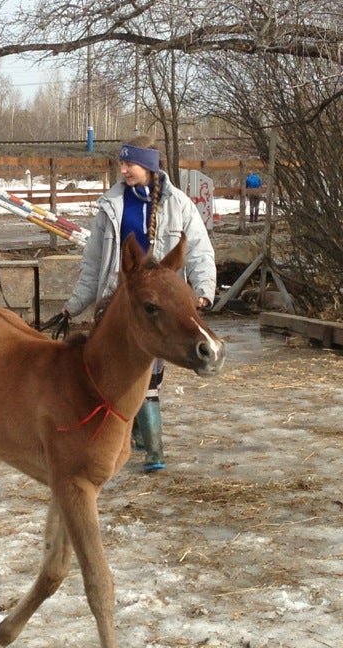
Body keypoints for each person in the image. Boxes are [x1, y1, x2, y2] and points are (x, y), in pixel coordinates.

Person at [51, 136, 216, 473]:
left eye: (131, 164)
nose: (123, 169)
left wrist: (203, 290)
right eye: (121, 164)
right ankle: (143, 443)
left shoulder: (179, 205)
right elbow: (93, 262)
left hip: (157, 307)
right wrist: (75, 305)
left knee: (149, 376)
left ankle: (148, 443)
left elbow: (199, 250)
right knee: (118, 376)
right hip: (115, 307)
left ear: (150, 166)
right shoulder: (110, 205)